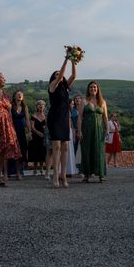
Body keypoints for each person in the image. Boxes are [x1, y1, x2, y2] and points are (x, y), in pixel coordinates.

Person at [47, 54, 77, 188]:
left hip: (65, 117)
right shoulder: (52, 86)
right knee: (57, 146)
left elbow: (74, 76)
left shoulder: (65, 87)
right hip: (55, 117)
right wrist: (66, 59)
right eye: (56, 74)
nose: (59, 75)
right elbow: (60, 77)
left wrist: (74, 61)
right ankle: (55, 177)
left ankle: (63, 175)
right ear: (53, 77)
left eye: (60, 73)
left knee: (65, 147)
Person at [77, 81, 109, 183]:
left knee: (99, 151)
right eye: (91, 87)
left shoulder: (102, 102)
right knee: (86, 151)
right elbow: (80, 118)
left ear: (98, 89)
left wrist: (107, 129)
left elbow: (105, 117)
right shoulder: (84, 101)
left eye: (95, 87)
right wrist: (79, 131)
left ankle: (101, 174)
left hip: (99, 130)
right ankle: (87, 174)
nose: (93, 89)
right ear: (88, 89)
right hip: (86, 130)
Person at [9, 90, 30, 180]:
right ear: (14, 97)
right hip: (12, 129)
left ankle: (18, 172)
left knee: (21, 151)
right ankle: (7, 172)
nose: (20, 95)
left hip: (21, 131)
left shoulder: (24, 107)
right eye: (18, 94)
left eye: (21, 94)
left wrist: (29, 131)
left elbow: (28, 120)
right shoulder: (10, 106)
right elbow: (9, 119)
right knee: (10, 151)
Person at [28, 100, 47, 176]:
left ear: (44, 107)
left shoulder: (46, 116)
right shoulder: (33, 115)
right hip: (35, 136)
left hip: (44, 136)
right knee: (35, 152)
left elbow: (48, 125)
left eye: (42, 104)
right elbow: (32, 127)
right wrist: (37, 132)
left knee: (43, 152)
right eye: (39, 104)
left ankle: (42, 167)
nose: (41, 106)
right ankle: (35, 168)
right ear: (37, 106)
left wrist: (45, 131)